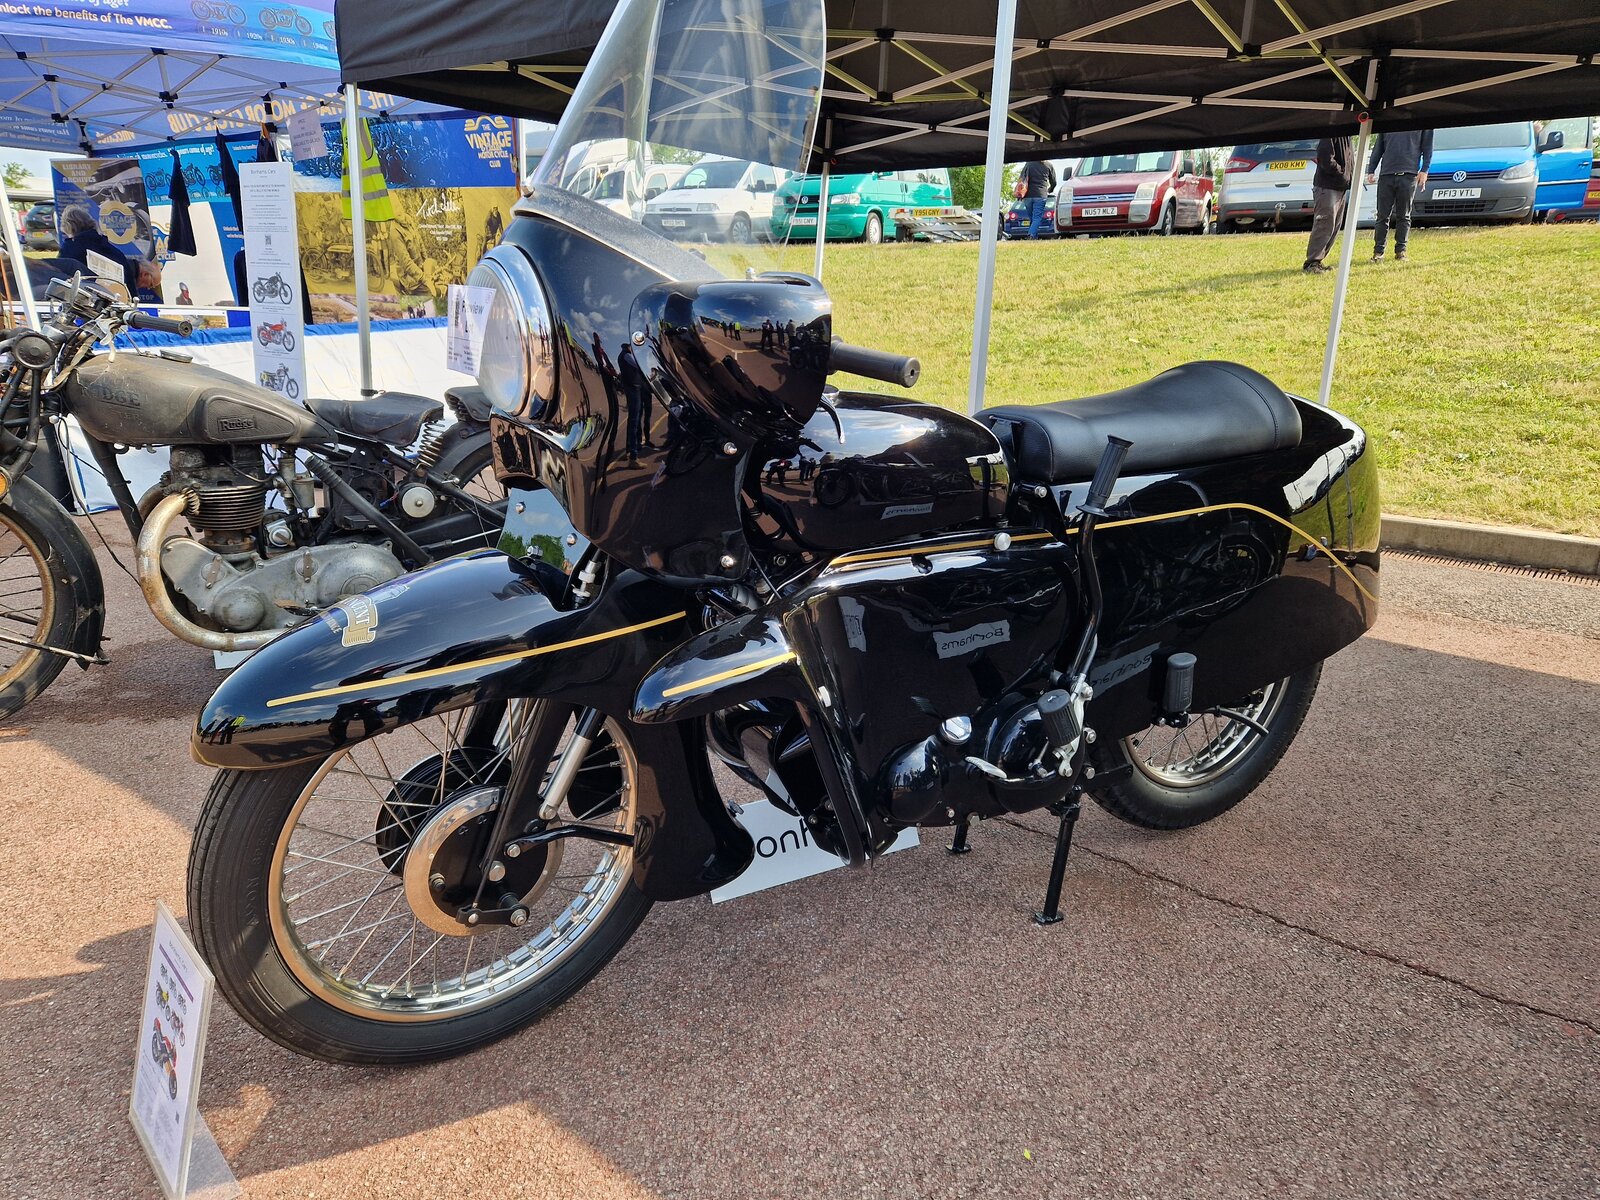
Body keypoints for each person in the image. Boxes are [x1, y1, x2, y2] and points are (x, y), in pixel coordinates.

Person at [58, 204, 160, 297]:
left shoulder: (70, 248)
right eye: (151, 284)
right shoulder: (111, 249)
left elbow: (60, 277)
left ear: (68, 228)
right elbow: (130, 295)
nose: (148, 288)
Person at [1365, 128, 1434, 262]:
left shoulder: (1423, 122)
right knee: (1382, 215)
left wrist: (1425, 170)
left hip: (1408, 175)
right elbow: (1378, 147)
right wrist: (1371, 169)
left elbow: (1428, 148)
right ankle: (1378, 252)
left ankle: (1401, 251)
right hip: (1387, 174)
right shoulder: (1389, 122)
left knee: (1404, 215)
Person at [1302, 134, 1354, 274]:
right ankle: (1312, 262)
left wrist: (1348, 177)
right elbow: (1325, 158)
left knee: (1334, 226)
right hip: (1327, 186)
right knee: (1324, 224)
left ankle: (1318, 261)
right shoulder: (1332, 133)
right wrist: (1342, 174)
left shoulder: (1348, 136)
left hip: (1340, 186)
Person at [1017, 160, 1057, 239]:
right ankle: (1031, 235)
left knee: (1032, 218)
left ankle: (1034, 237)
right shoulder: (1049, 165)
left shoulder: (1029, 163)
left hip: (1028, 195)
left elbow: (1021, 178)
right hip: (1040, 195)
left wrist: (1020, 192)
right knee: (1037, 218)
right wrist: (1050, 190)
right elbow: (1054, 182)